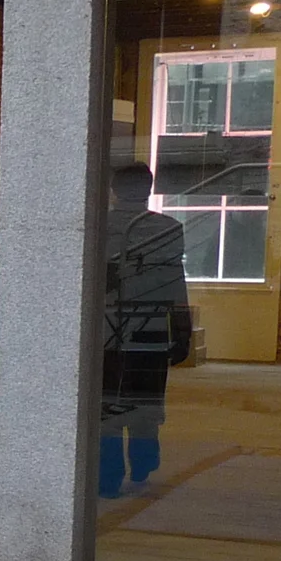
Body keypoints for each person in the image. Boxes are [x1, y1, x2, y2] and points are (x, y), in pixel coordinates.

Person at [98, 162, 191, 499]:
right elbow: (174, 284)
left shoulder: (97, 229)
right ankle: (143, 462)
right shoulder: (169, 228)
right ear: (149, 190)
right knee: (145, 402)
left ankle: (107, 477)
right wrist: (182, 329)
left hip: (104, 332)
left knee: (106, 408)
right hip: (150, 330)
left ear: (114, 189)